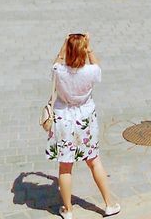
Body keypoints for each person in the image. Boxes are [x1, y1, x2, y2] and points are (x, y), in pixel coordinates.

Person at [47, 33, 120, 219]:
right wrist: (89, 48)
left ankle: (68, 210)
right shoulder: (90, 72)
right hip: (86, 118)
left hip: (64, 119)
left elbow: (57, 61)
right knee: (94, 161)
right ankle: (109, 204)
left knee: (65, 167)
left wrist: (65, 44)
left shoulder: (59, 71)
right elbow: (97, 66)